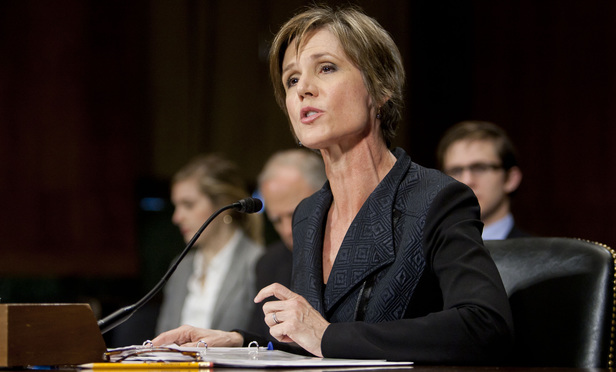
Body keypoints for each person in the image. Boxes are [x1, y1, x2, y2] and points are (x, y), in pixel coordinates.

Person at [153, 5, 513, 365]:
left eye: (325, 68)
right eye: (291, 79)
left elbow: (484, 325)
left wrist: (325, 336)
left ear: (381, 86)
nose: (303, 90)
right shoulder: (308, 214)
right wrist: (238, 342)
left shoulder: (436, 198)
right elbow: (315, 341)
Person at [155, 154, 264, 334]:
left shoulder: (257, 262)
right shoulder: (180, 266)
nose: (177, 217)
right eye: (176, 206)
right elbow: (162, 336)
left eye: (188, 205)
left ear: (222, 205)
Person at [246, 149, 326, 337]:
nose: (286, 230)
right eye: (276, 220)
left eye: (293, 215)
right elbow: (260, 338)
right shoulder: (268, 264)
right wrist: (233, 338)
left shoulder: (358, 250)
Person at [436, 120, 528, 240]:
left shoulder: (541, 255)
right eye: (456, 171)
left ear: (510, 179)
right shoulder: (425, 255)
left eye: (480, 168)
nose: (467, 181)